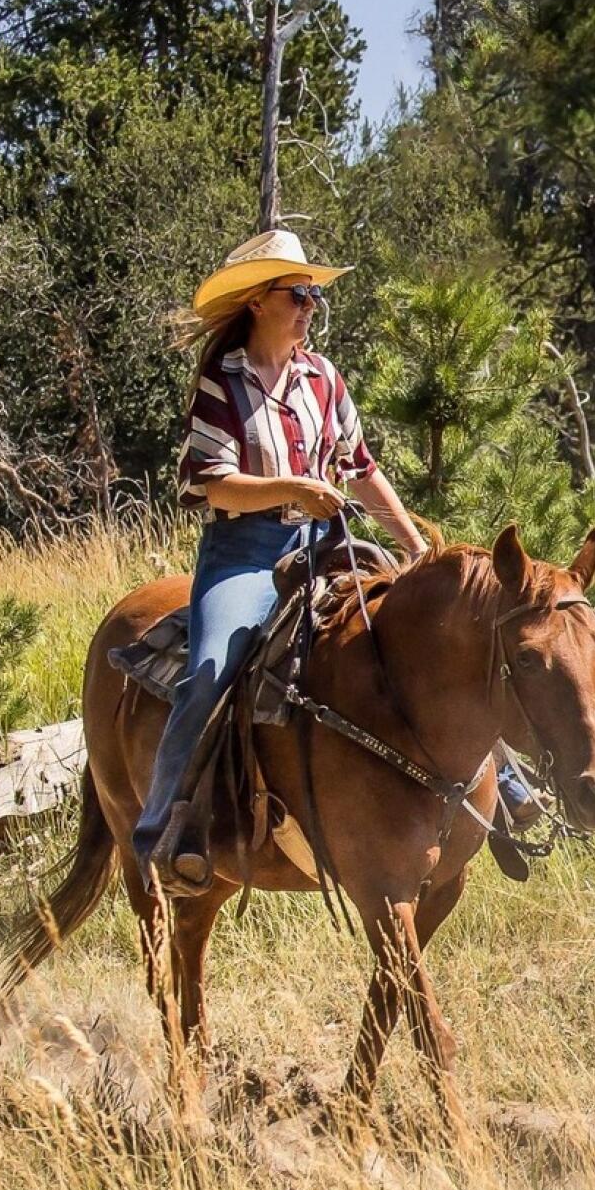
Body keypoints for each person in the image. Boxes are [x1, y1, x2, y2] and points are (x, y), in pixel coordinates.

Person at [129, 229, 441, 892]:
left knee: (427, 629)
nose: (309, 306)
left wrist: (414, 546)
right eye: (297, 293)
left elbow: (361, 469)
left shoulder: (322, 378)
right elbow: (211, 482)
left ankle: (503, 785)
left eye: (313, 296)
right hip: (245, 554)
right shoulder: (223, 380)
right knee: (211, 669)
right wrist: (295, 489)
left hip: (323, 549)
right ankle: (166, 825)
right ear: (257, 302)